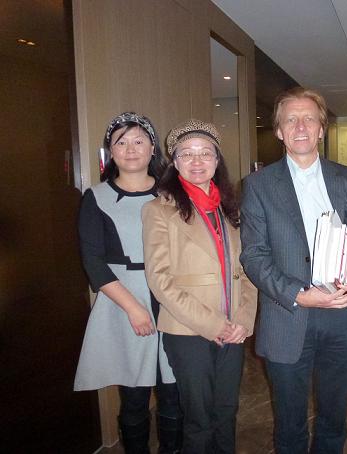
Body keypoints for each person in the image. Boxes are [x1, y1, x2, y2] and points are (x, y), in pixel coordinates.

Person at [239, 87, 347, 453]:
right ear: (279, 131)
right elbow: (254, 255)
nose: (300, 126)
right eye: (290, 120)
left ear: (322, 129)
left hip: (344, 312)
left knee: (334, 418)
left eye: (309, 118)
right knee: (289, 422)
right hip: (288, 314)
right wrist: (299, 294)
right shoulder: (258, 185)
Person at [142, 119, 257, 453]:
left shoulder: (231, 208)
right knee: (199, 419)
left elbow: (248, 269)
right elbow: (160, 280)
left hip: (234, 328)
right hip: (188, 331)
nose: (197, 161)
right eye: (187, 154)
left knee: (227, 411)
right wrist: (214, 324)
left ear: (217, 161)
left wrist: (243, 320)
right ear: (174, 162)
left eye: (205, 153)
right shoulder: (158, 210)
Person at [74, 112, 182, 453]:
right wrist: (134, 308)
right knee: (134, 395)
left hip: (171, 299)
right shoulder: (96, 197)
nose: (131, 148)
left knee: (173, 392)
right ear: (111, 151)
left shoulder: (174, 194)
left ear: (153, 148)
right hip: (123, 301)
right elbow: (93, 261)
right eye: (121, 142)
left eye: (139, 140)